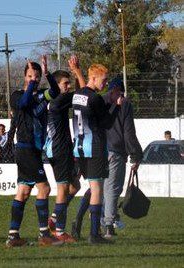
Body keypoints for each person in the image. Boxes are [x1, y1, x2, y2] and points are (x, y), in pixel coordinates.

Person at [6, 55, 63, 247]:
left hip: (32, 149)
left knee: (23, 190)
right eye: (31, 75)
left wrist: (47, 74)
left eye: (37, 76)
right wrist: (31, 84)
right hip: (25, 147)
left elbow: (54, 91)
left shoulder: (40, 95)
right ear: (24, 77)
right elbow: (22, 104)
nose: (34, 79)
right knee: (44, 187)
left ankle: (13, 236)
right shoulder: (16, 96)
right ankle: (44, 234)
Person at [71, 64, 124, 244]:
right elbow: (107, 123)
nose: (106, 83)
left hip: (79, 148)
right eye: (104, 80)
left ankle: (68, 222)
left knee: (80, 187)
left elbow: (91, 104)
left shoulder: (78, 94)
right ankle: (94, 234)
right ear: (93, 78)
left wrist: (78, 71)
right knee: (97, 190)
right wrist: (116, 106)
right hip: (94, 147)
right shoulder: (95, 99)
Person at [44, 56, 86, 242]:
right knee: (62, 189)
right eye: (65, 83)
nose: (67, 87)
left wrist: (76, 74)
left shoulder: (56, 99)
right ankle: (59, 232)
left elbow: (79, 92)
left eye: (69, 83)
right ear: (57, 84)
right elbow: (84, 92)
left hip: (62, 148)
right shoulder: (59, 100)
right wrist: (77, 71)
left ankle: (54, 219)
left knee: (74, 186)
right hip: (59, 149)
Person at [101, 78, 143, 238]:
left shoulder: (100, 100)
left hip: (99, 150)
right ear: (120, 90)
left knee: (100, 189)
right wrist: (135, 155)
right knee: (113, 189)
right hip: (116, 151)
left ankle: (92, 221)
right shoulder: (125, 104)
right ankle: (109, 225)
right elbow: (128, 132)